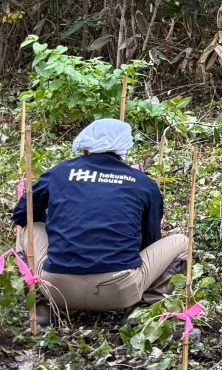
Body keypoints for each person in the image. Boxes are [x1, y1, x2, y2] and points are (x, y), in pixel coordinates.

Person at [11, 118, 188, 314]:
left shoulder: (61, 172)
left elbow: (22, 214)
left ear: (84, 149)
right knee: (182, 242)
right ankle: (141, 312)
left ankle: (40, 307)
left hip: (56, 288)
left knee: (29, 228)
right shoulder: (143, 183)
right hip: (119, 289)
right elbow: (150, 239)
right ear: (124, 151)